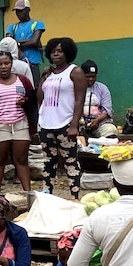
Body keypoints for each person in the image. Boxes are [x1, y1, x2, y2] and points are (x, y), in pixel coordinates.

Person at [37, 38, 87, 199]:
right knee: (48, 163)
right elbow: (40, 97)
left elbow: (80, 100)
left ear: (68, 52)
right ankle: (47, 196)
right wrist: (44, 77)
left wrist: (74, 125)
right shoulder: (49, 73)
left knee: (70, 162)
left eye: (60, 51)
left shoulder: (75, 72)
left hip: (65, 124)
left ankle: (74, 197)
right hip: (45, 124)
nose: (56, 54)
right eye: (52, 51)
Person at [0, 51, 37, 194]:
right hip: (0, 126)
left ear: (12, 64)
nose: (3, 66)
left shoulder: (23, 80)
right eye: (0, 64)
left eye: (6, 63)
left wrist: (25, 101)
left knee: (22, 160)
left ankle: (28, 194)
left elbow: (32, 99)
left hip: (21, 124)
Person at [80, 60, 117, 138]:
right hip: (79, 122)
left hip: (99, 122)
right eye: (87, 77)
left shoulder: (102, 88)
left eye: (93, 77)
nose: (91, 79)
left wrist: (97, 120)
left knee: (111, 130)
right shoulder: (74, 88)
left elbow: (107, 110)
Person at [6, 0, 46, 68]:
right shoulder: (12, 27)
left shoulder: (37, 23)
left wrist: (16, 43)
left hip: (33, 62)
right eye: (17, 11)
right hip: (17, 64)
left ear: (28, 10)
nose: (19, 14)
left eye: (21, 11)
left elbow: (34, 41)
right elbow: (9, 43)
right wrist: (29, 41)